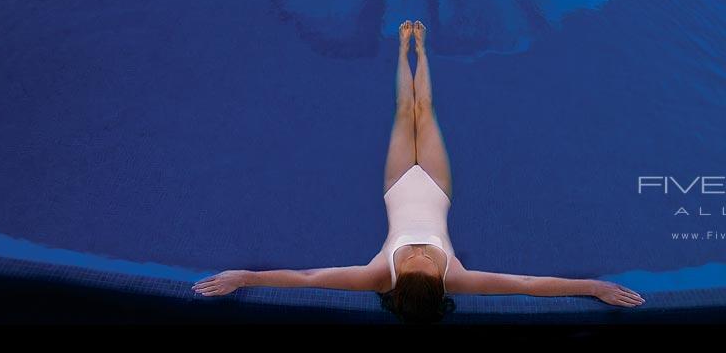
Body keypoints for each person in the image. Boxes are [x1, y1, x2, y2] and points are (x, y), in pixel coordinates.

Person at [193, 21, 644, 323]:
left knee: (402, 109)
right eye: (429, 265)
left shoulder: (378, 276)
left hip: (396, 187)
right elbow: (527, 285)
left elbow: (307, 278)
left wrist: (245, 277)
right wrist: (592, 287)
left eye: (417, 264)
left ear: (399, 281)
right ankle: (421, 49)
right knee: (424, 111)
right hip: (435, 187)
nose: (424, 258)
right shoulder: (457, 278)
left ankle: (402, 48)